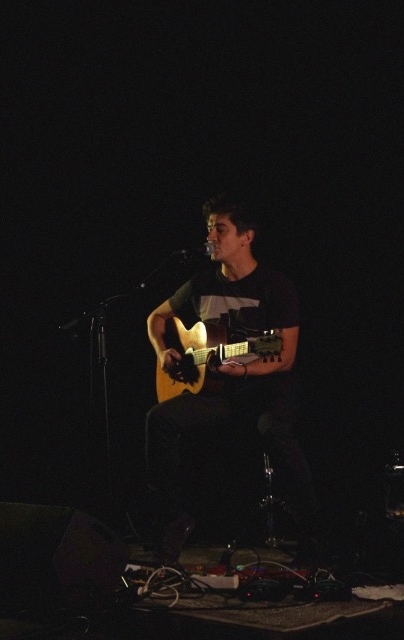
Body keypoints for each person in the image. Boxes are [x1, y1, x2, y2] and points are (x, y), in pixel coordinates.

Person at [143, 191, 322, 566]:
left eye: (219, 229)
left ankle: (313, 533)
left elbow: (284, 355)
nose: (210, 237)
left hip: (266, 390)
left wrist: (245, 368)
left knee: (275, 430)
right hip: (219, 393)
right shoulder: (200, 284)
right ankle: (173, 524)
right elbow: (155, 318)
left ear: (246, 236)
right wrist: (163, 352)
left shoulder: (276, 287)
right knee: (159, 419)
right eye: (209, 229)